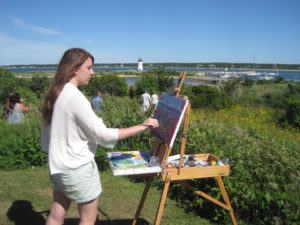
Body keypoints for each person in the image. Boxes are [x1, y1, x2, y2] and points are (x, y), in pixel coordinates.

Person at [40, 48, 158, 225]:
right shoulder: (74, 97)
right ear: (74, 69)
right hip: (77, 167)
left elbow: (48, 136)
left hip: (58, 166)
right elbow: (103, 135)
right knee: (88, 219)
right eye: (89, 68)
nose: (92, 72)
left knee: (57, 213)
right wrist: (142, 126)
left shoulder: (56, 93)